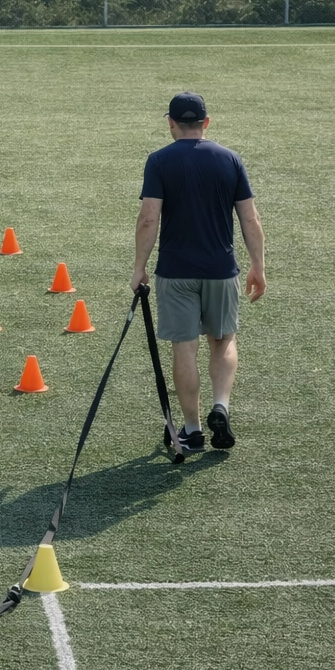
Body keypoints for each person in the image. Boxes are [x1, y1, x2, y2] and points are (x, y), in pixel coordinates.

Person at [130, 91, 266, 452]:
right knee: (223, 341)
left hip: (176, 272)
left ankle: (191, 430)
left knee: (184, 348)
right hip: (222, 270)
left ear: (171, 123)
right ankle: (220, 405)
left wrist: (139, 268)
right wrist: (258, 266)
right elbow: (249, 217)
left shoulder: (159, 161)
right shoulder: (230, 160)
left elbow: (148, 218)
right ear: (206, 122)